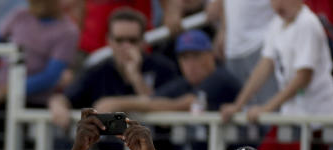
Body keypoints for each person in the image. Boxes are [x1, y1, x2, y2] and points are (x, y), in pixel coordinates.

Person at [48, 8, 178, 130]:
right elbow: (66, 97)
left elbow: (166, 105)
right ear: (109, 41)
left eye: (132, 40)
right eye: (119, 40)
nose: (126, 46)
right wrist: (57, 106)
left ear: (143, 41)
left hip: (154, 149)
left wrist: (135, 78)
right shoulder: (98, 70)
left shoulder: (163, 67)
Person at [220, 0, 333, 123]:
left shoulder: (307, 22)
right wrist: (238, 105)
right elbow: (264, 66)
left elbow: (303, 78)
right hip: (293, 114)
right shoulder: (276, 23)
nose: (277, 6)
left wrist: (267, 108)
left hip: (317, 116)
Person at [92, 30, 241, 114]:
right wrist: (135, 77)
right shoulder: (183, 84)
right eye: (184, 58)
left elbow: (185, 103)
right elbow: (151, 101)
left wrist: (118, 103)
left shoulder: (220, 77)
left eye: (196, 56)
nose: (190, 64)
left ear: (211, 56)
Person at [0, 0, 79, 108]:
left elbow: (51, 76)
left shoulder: (68, 31)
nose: (39, 5)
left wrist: (9, 90)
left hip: (33, 103)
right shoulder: (19, 15)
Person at [207, 0, 278, 105]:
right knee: (238, 111)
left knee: (268, 107)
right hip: (233, 48)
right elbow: (212, 12)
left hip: (262, 42)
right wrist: (224, 29)